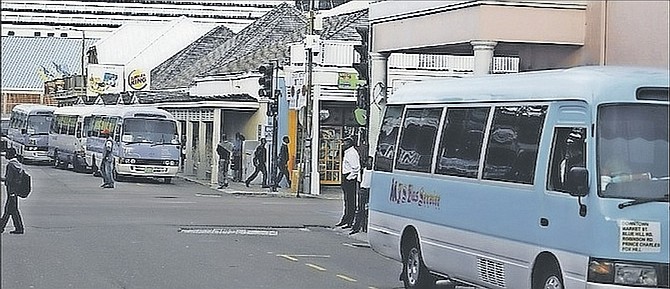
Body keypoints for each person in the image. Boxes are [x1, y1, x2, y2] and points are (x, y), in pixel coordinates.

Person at [336, 137, 360, 229]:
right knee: (346, 200)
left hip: (349, 177)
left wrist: (349, 177)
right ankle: (345, 219)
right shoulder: (347, 153)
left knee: (350, 200)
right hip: (346, 176)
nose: (342, 145)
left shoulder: (352, 153)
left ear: (349, 144)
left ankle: (349, 220)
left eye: (344, 143)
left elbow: (356, 168)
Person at [1, 148, 25, 234]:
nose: (5, 155)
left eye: (7, 153)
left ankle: (17, 228)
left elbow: (9, 179)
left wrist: (2, 179)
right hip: (15, 190)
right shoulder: (17, 164)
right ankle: (18, 228)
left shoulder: (11, 165)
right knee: (12, 210)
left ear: (10, 154)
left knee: (9, 209)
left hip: (11, 190)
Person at [350, 156, 373, 235]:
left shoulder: (373, 172)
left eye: (371, 162)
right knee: (360, 209)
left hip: (370, 190)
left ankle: (365, 227)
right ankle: (356, 227)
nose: (369, 164)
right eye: (368, 162)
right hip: (363, 190)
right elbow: (359, 181)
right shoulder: (363, 171)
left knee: (368, 210)